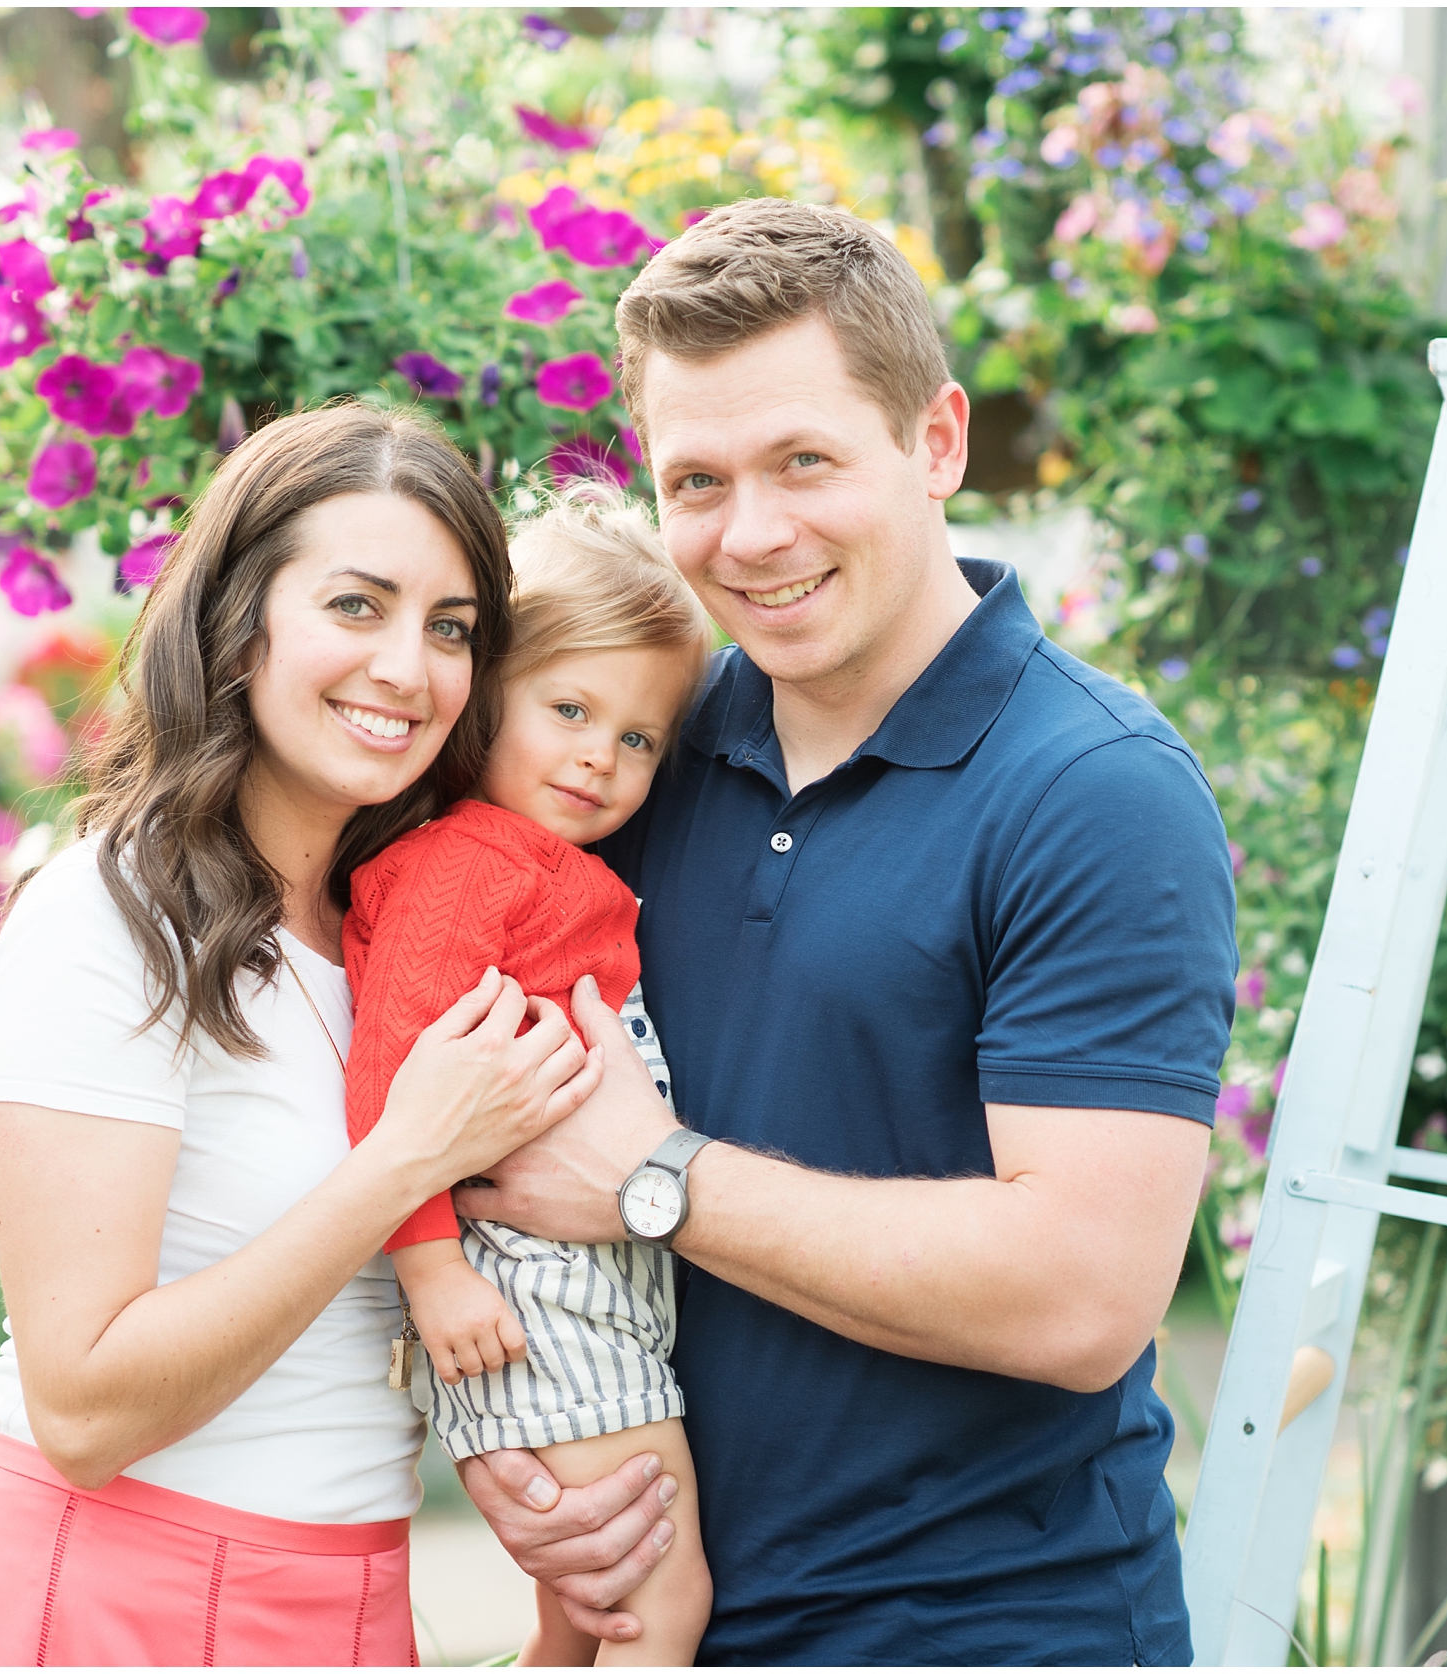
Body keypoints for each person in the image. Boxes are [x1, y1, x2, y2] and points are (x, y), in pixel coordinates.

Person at [450, 199, 1239, 1664]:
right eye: (697, 479)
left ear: (936, 444)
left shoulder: (1094, 791)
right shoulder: (641, 753)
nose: (751, 534)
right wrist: (518, 1437)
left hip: (992, 1630)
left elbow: (1082, 1293)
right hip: (671, 1618)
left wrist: (653, 1179)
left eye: (804, 460)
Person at [0, 405, 670, 1667]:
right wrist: (405, 1161)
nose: (408, 670)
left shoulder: (402, 922)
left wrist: (567, 1596)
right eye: (356, 607)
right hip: (111, 1595)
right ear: (237, 617)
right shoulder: (109, 916)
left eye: (451, 629)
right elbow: (84, 1409)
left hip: (343, 1602)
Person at [341, 488, 713, 1666]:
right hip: (527, 1288)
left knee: (579, 1617)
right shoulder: (466, 865)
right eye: (568, 709)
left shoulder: (540, 860)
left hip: (578, 1279)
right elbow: (391, 1075)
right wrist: (434, 1268)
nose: (601, 756)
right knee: (661, 1606)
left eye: (639, 737)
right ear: (485, 698)